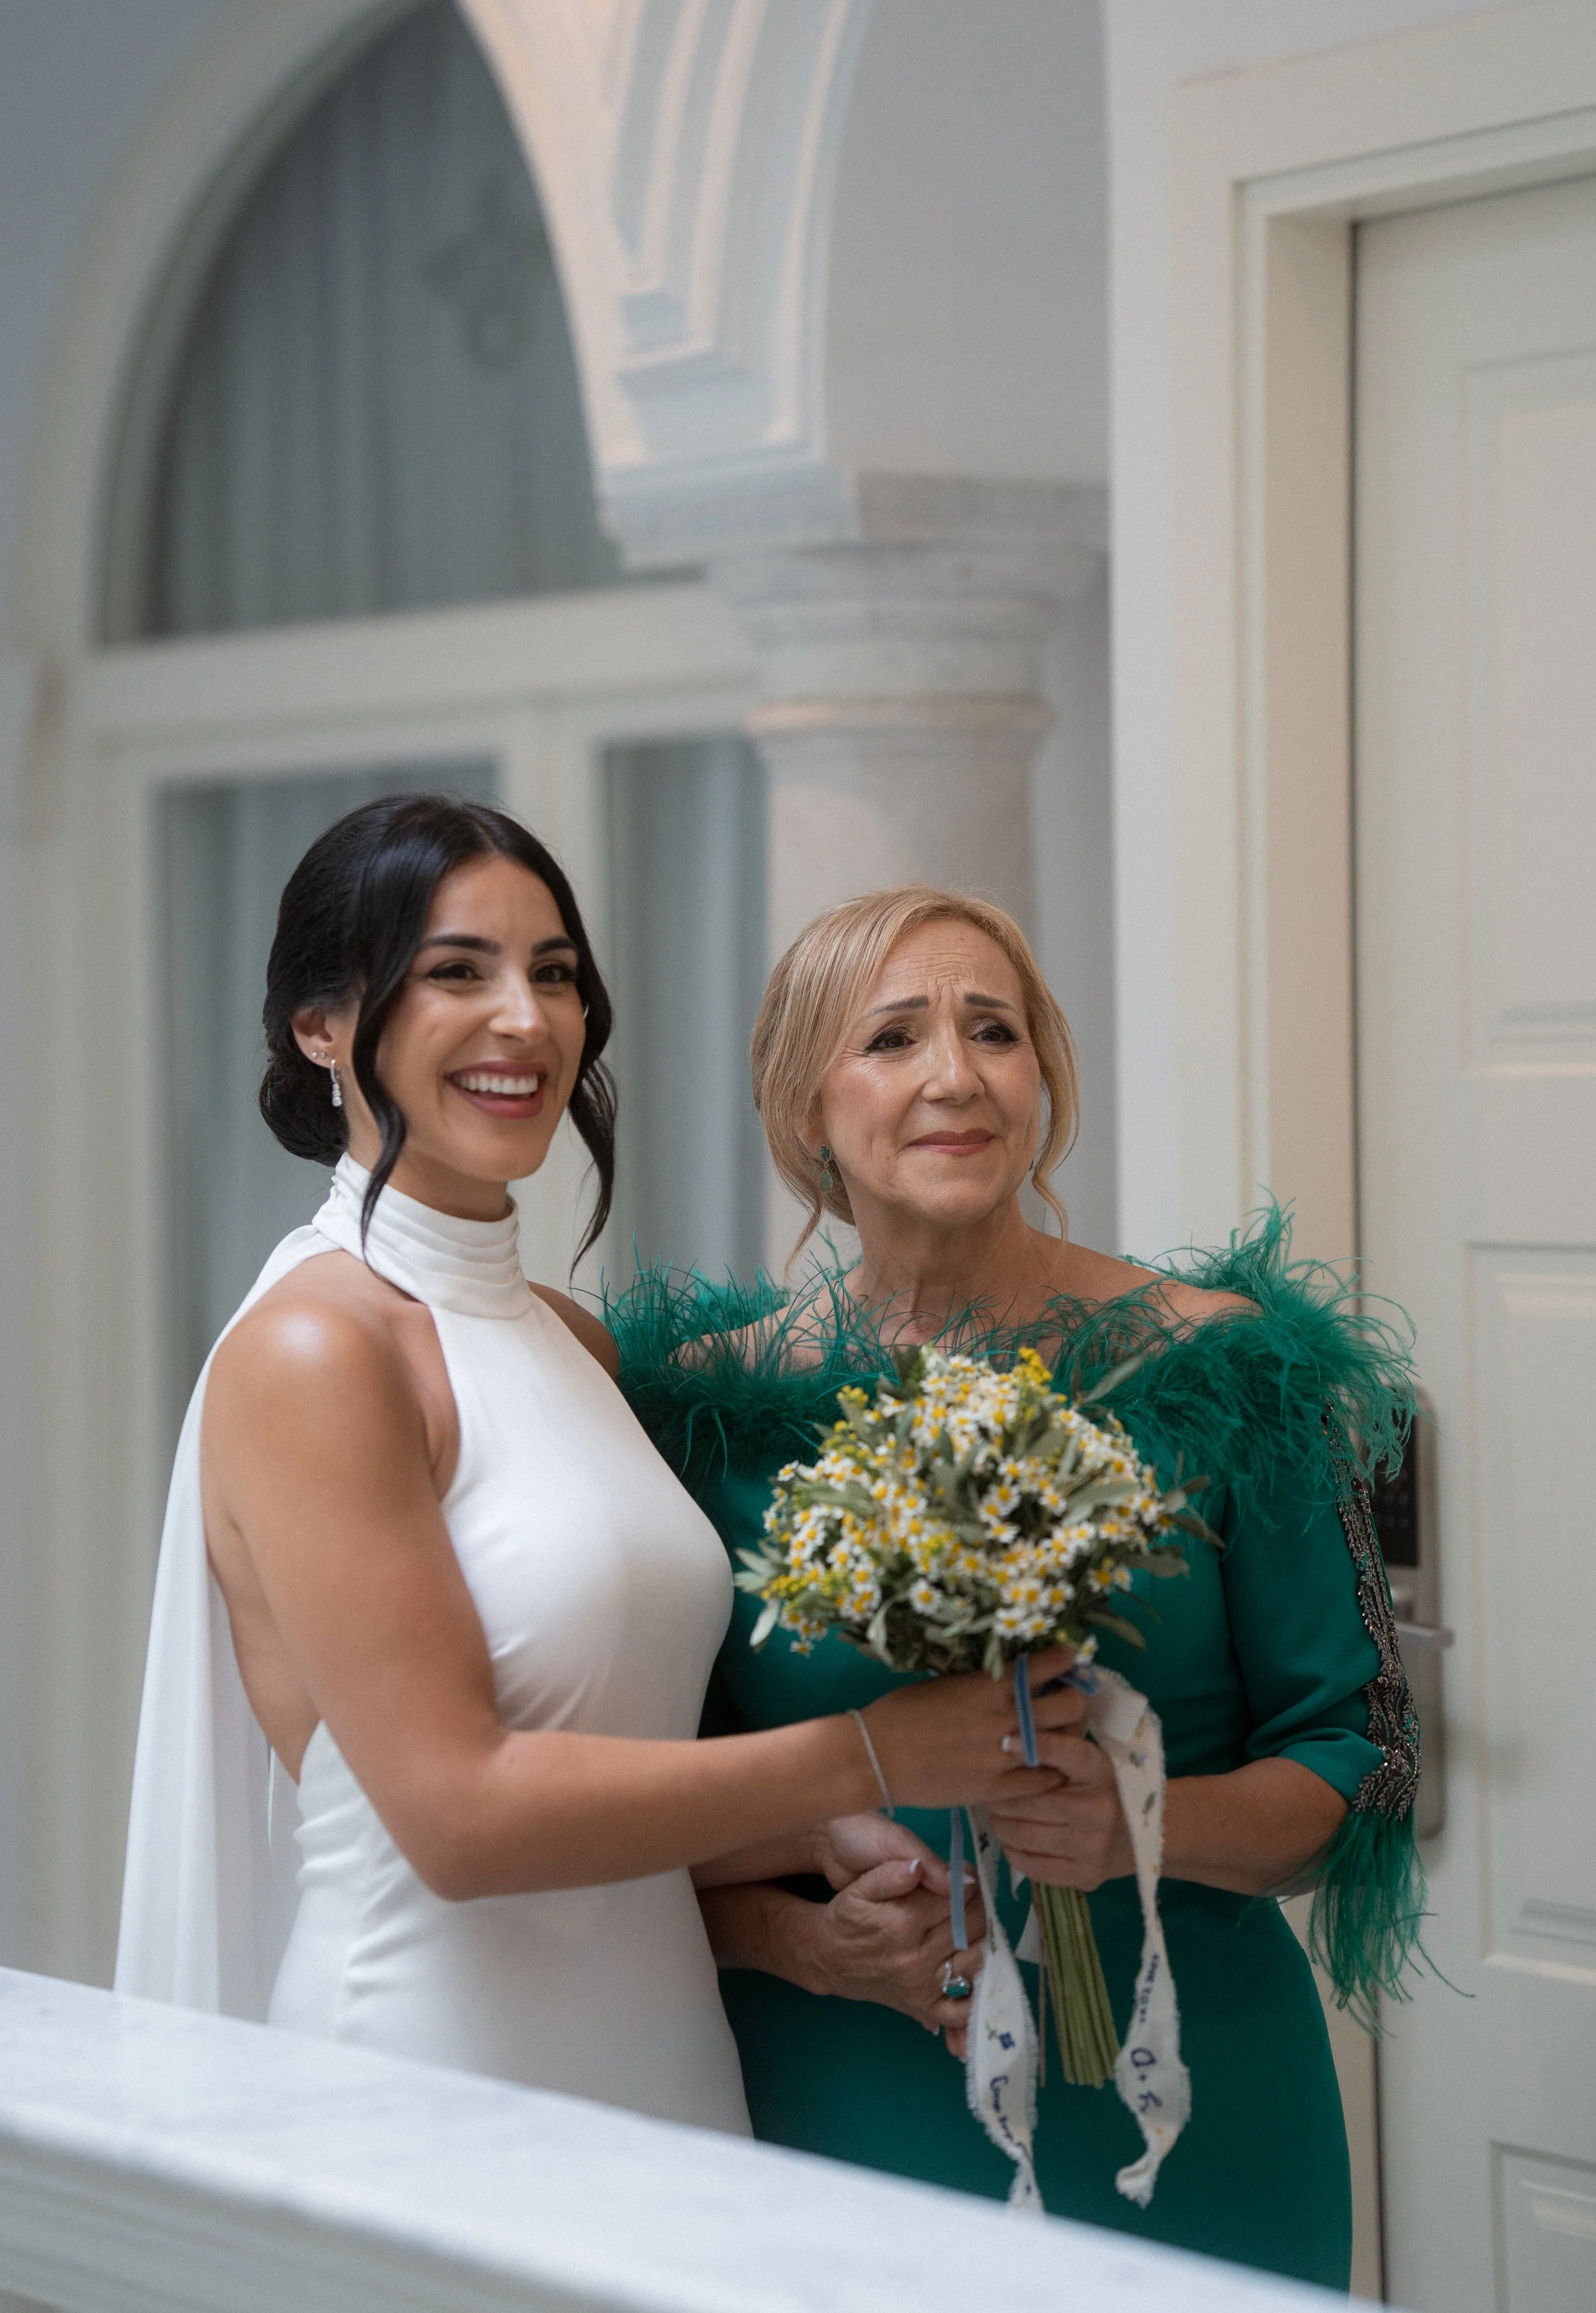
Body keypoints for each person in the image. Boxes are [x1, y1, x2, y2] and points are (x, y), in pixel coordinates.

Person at [115, 804, 1081, 2132]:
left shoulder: (568, 1339)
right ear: (320, 1024)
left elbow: (601, 1762)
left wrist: (801, 1846)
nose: (524, 1017)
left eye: (554, 972)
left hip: (662, 2061)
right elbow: (459, 1818)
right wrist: (867, 1756)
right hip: (429, 2081)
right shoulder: (317, 1346)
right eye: (458, 970)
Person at [611, 884, 1424, 2284]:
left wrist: (1131, 1830)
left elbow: (1364, 1760)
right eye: (891, 1038)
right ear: (803, 1104)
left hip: (1188, 2105)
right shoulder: (695, 1420)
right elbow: (619, 1812)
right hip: (842, 2090)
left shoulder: (1226, 1373)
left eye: (992, 1031)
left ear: (1039, 1077)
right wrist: (803, 1948)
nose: (954, 1075)